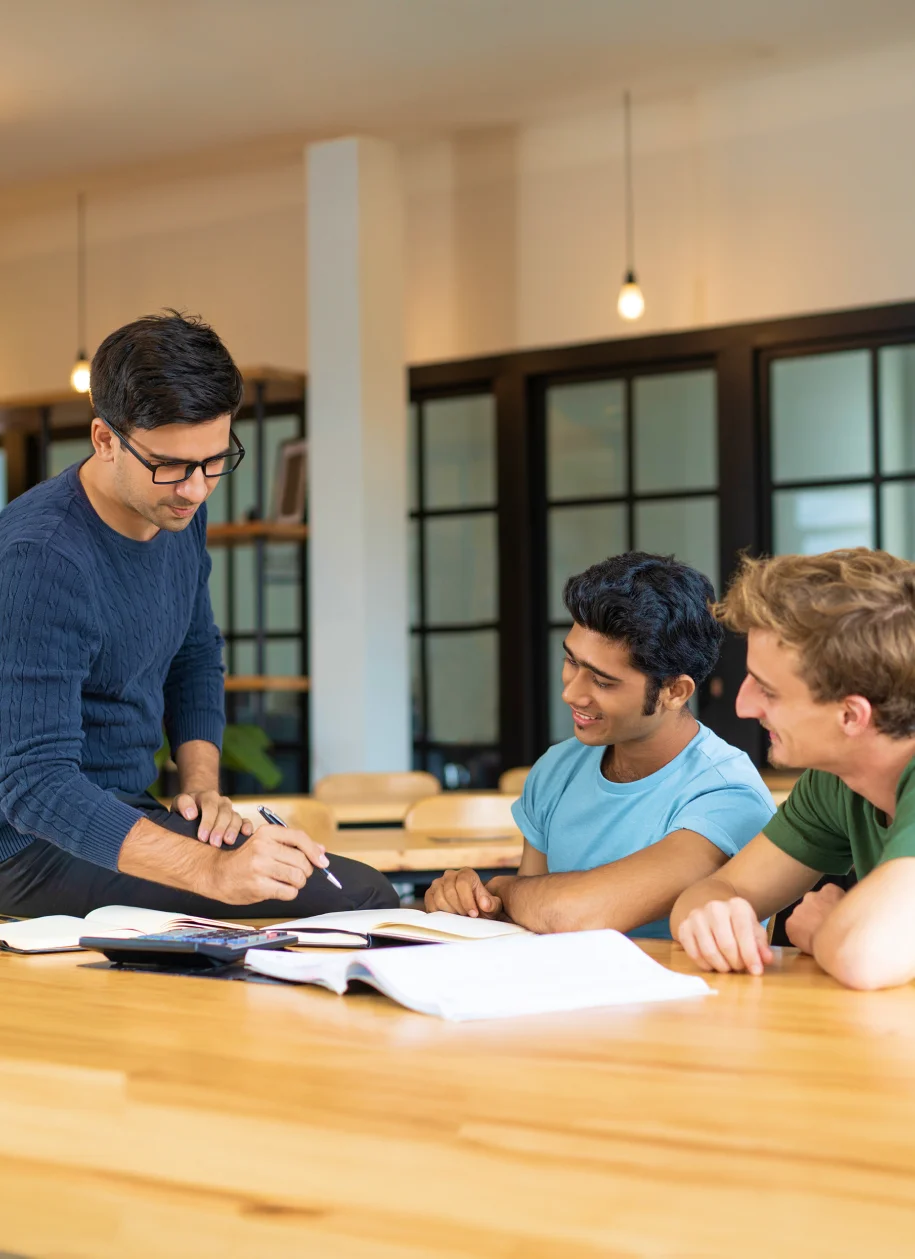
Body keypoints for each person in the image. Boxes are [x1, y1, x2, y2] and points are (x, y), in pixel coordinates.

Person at [0, 311, 398, 918]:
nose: (195, 488)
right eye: (170, 465)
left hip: (127, 814)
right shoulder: (41, 556)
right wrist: (213, 870)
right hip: (27, 848)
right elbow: (36, 786)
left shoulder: (177, 513)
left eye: (214, 461)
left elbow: (195, 654)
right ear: (104, 439)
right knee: (357, 900)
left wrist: (201, 786)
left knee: (347, 892)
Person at [425, 553, 775, 937]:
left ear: (675, 691)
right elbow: (529, 928)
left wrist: (504, 889)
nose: (571, 693)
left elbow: (573, 914)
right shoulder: (557, 768)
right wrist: (472, 904)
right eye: (571, 662)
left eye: (603, 682)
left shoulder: (727, 794)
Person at [671, 548, 915, 990]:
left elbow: (865, 955)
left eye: (768, 691)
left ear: (851, 716)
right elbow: (712, 892)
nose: (743, 706)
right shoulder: (836, 780)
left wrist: (824, 926)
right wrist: (713, 916)